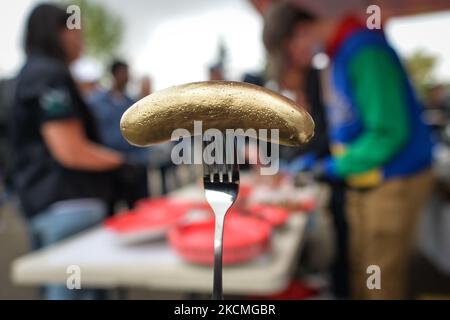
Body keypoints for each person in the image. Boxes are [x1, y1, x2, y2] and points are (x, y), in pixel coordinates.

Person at [263, 2, 434, 299]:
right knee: (362, 273)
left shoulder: (363, 51)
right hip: (366, 181)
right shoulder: (337, 55)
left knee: (380, 281)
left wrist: (329, 168)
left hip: (394, 180)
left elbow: (388, 132)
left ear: (302, 32)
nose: (296, 65)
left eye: (290, 55)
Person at [11, 3, 124, 299]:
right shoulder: (49, 75)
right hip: (69, 205)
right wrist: (123, 161)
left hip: (48, 204)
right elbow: (70, 150)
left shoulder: (33, 73)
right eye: (76, 33)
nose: (81, 41)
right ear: (56, 33)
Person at [87, 60, 150, 211]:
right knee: (109, 211)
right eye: (124, 73)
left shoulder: (132, 103)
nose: (127, 77)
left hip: (133, 166)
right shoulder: (95, 103)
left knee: (140, 209)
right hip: (109, 167)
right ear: (115, 74)